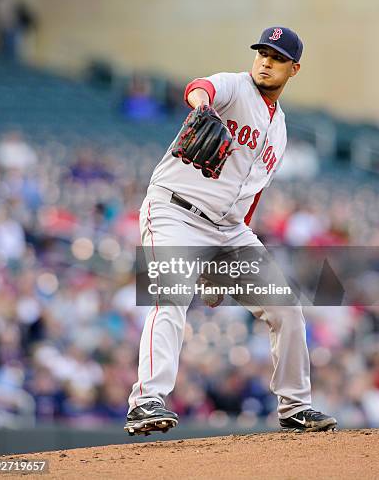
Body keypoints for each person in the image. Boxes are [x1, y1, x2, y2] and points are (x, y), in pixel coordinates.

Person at [125, 27, 337, 435]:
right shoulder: (235, 87)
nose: (265, 62)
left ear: (294, 69)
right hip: (175, 211)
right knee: (170, 297)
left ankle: (295, 406)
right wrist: (202, 107)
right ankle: (146, 400)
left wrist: (220, 262)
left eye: (276, 58)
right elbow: (199, 87)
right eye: (261, 53)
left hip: (229, 230)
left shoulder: (280, 128)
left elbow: (252, 195)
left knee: (286, 309)